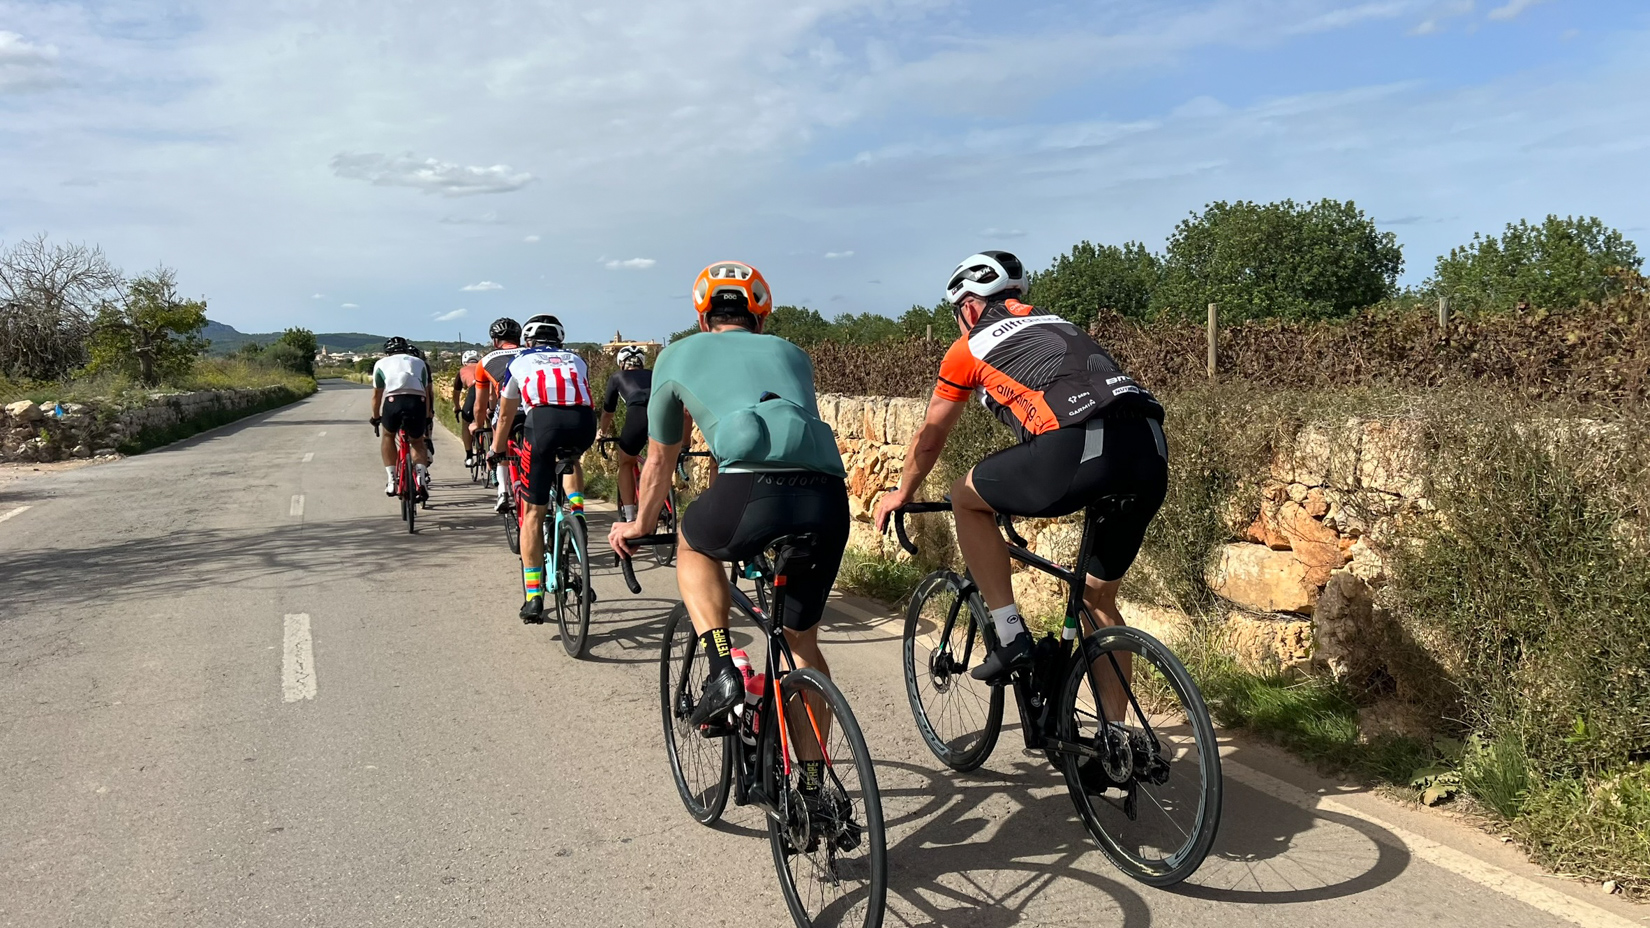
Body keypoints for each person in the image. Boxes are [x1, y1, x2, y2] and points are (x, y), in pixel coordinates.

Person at [608, 261, 849, 809]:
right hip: (826, 498)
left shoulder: (677, 355)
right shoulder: (794, 354)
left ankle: (722, 666)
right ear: (760, 317)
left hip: (749, 492)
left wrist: (640, 524)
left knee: (694, 543)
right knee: (802, 645)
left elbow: (660, 459)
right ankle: (813, 792)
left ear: (703, 316)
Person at [872, 251, 1168, 684]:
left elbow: (931, 435)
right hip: (1149, 448)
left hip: (1076, 445)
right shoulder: (1061, 323)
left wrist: (903, 491)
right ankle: (1116, 727)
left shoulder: (969, 345)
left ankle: (1011, 637)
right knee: (1097, 600)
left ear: (969, 306)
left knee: (965, 497)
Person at [487, 315, 596, 622]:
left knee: (533, 513)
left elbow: (505, 417)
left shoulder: (518, 362)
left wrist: (496, 450)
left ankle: (534, 596)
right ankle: (577, 511)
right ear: (560, 340)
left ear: (528, 341)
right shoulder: (577, 359)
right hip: (583, 424)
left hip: (544, 424)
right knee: (571, 458)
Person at [369, 336, 435, 499]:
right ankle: (420, 479)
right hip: (417, 401)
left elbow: (377, 395)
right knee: (417, 442)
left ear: (387, 352)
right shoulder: (419, 362)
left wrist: (375, 417)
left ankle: (392, 480)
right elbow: (427, 392)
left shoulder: (381, 363)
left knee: (388, 436)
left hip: (393, 401)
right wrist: (427, 416)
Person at [598, 345, 653, 522]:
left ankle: (630, 517)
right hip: (662, 413)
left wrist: (602, 432)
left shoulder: (617, 376)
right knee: (659, 460)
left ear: (621, 363)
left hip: (638, 413)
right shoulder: (654, 373)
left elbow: (608, 412)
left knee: (626, 462)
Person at [475, 318, 524, 513]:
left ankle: (503, 491)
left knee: (500, 441)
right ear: (519, 338)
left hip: (508, 408)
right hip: (534, 406)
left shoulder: (485, 361)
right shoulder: (529, 353)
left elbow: (480, 405)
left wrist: (477, 425)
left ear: (495, 341)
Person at [454, 349, 482, 467]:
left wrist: (457, 407)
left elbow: (456, 394)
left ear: (464, 362)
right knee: (490, 418)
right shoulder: (484, 366)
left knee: (466, 422)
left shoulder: (462, 370)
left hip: (474, 390)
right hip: (489, 391)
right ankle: (492, 446)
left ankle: (469, 456)